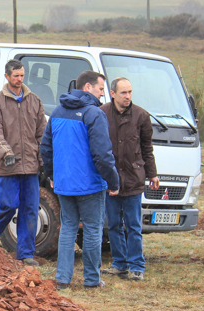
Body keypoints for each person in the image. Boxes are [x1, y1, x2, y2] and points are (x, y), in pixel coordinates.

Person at [40, 70, 120, 290]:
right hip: (90, 185)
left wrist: (53, 175)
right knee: (93, 230)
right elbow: (103, 155)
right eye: (101, 89)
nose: (103, 95)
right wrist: (113, 182)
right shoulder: (94, 114)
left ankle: (63, 279)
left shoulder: (57, 112)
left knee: (68, 228)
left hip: (64, 184)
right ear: (88, 87)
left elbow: (46, 147)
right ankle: (92, 280)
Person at [0, 59, 47, 266]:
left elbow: (42, 134)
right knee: (8, 204)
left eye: (22, 75)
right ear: (7, 77)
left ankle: (26, 254)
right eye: (16, 76)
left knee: (30, 209)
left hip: (30, 168)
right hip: (7, 166)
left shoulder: (35, 101)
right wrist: (5, 152)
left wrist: (43, 160)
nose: (19, 79)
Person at [100, 77, 159, 282]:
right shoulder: (102, 113)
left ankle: (136, 266)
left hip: (134, 179)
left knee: (133, 225)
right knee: (114, 225)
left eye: (130, 92)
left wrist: (152, 174)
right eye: (124, 92)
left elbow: (146, 149)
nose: (128, 96)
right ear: (113, 93)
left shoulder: (142, 116)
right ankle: (119, 264)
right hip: (111, 180)